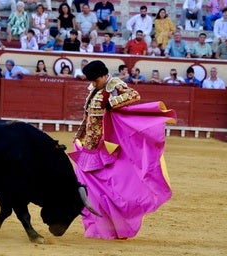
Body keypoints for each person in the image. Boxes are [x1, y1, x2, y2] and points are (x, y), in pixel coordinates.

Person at [70, 60, 175, 240]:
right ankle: (102, 224)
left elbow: (134, 95)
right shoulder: (94, 89)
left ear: (104, 75)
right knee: (88, 184)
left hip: (107, 145)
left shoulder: (114, 85)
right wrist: (79, 135)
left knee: (111, 187)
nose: (93, 83)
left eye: (96, 80)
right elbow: (88, 117)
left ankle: (121, 221)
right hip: (89, 145)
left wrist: (112, 103)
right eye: (92, 81)